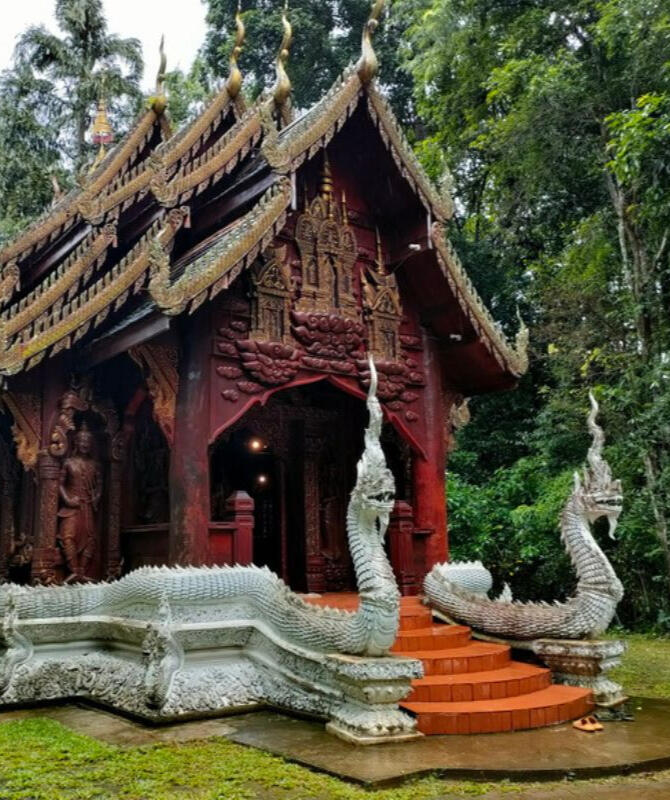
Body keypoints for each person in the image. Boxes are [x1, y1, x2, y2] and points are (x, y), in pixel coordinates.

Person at [57, 422, 102, 581]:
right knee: (67, 536)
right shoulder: (68, 463)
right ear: (76, 442)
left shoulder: (94, 465)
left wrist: (96, 496)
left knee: (91, 538)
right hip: (72, 506)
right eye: (82, 441)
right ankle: (74, 569)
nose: (84, 445)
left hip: (87, 506)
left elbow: (99, 485)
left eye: (87, 442)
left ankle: (82, 571)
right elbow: (60, 484)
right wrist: (68, 499)